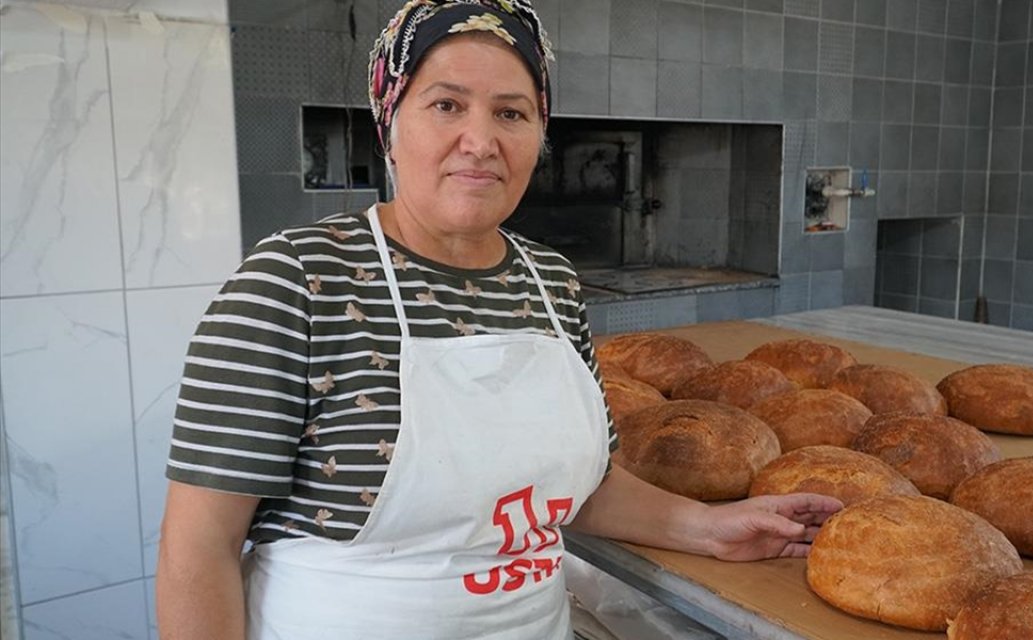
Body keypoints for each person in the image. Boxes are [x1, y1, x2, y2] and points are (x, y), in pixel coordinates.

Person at [155, 1, 842, 638]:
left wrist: (709, 527)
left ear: (540, 133)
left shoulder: (549, 282)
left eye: (512, 113)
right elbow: (198, 549)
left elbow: (580, 487)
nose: (480, 141)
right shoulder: (295, 281)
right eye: (447, 104)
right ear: (389, 124)